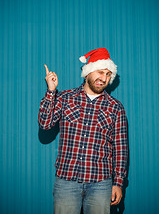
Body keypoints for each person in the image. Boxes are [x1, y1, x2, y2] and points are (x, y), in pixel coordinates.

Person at [38, 48, 128, 214]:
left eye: (108, 74)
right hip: (67, 181)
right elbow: (45, 124)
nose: (104, 78)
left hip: (101, 183)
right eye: (100, 72)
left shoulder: (115, 107)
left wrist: (118, 183)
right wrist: (51, 92)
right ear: (88, 73)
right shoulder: (65, 98)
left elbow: (120, 149)